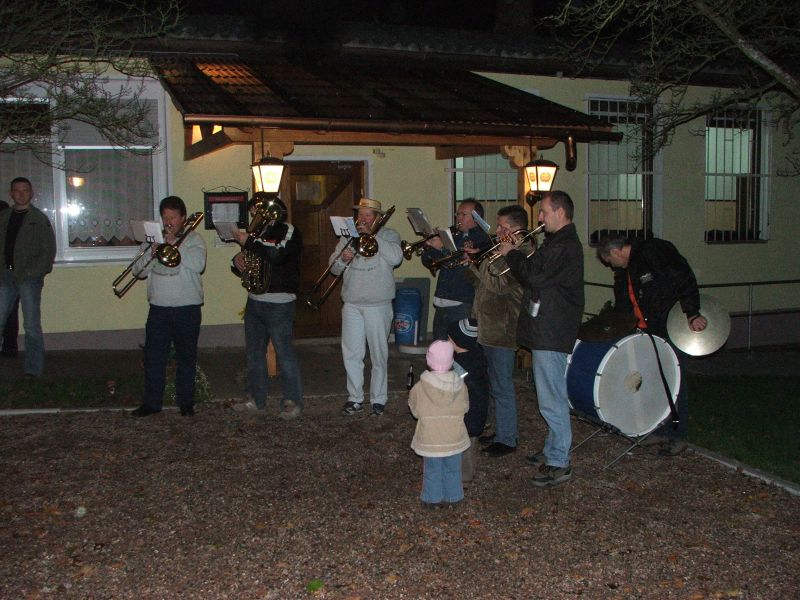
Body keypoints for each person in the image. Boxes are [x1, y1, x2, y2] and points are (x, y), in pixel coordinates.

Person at [497, 190, 584, 487]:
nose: (541, 218)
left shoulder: (565, 246)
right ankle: (552, 449)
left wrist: (512, 253)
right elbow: (537, 272)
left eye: (545, 212)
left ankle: (559, 461)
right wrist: (517, 251)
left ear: (560, 212)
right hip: (546, 328)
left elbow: (534, 277)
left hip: (552, 330)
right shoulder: (556, 242)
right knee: (548, 395)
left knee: (552, 399)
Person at [596, 235, 707, 455]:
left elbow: (683, 277)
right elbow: (623, 303)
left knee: (674, 381)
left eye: (610, 261)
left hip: (669, 327)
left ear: (616, 252)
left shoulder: (653, 251)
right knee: (655, 381)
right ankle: (659, 429)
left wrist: (692, 312)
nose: (611, 266)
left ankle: (678, 435)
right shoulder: (624, 271)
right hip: (646, 331)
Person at [130, 196, 206, 417]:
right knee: (154, 358)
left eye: (173, 217)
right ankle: (152, 403)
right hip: (159, 308)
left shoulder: (194, 240)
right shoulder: (153, 240)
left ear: (183, 218)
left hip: (187, 308)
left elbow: (199, 265)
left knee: (186, 358)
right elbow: (137, 271)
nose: (168, 222)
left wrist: (175, 246)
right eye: (165, 217)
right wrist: (152, 252)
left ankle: (186, 403)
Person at [464, 204, 530, 458]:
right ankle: (498, 429)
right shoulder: (503, 250)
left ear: (515, 228)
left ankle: (508, 438)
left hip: (503, 328)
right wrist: (471, 265)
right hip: (488, 325)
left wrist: (485, 260)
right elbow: (483, 284)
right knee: (492, 382)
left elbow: (500, 285)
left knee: (502, 385)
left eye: (502, 227)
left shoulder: (522, 252)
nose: (498, 231)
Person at [231, 196, 304, 420]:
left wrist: (250, 243)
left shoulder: (288, 230)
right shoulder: (256, 234)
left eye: (258, 211)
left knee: (284, 354)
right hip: (255, 300)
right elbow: (253, 261)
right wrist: (237, 261)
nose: (255, 215)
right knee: (254, 354)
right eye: (253, 212)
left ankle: (292, 401)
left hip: (279, 302)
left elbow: (277, 254)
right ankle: (256, 399)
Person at [330, 198, 402, 416]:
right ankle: (355, 398)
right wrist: (343, 259)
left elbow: (396, 258)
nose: (362, 218)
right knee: (352, 354)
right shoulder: (347, 237)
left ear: (378, 217)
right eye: (360, 214)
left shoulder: (389, 235)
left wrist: (373, 236)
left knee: (379, 355)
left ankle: (379, 399)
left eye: (368, 214)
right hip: (352, 303)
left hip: (378, 304)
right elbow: (333, 269)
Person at [0, 177, 56, 377]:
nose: (21, 194)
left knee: (31, 324)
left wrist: (33, 272)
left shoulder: (39, 219)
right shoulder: (3, 217)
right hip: (5, 275)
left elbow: (48, 251)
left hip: (29, 277)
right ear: (11, 194)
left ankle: (33, 370)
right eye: (17, 190)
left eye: (25, 190)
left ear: (31, 193)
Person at [409, 339, 470, 508]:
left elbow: (415, 411)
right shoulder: (460, 385)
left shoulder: (419, 387)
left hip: (431, 438)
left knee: (432, 470)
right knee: (453, 468)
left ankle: (432, 498)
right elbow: (465, 407)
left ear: (429, 361)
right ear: (451, 361)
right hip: (454, 436)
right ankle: (454, 496)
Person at [421, 199, 491, 340]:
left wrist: (442, 247)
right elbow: (431, 262)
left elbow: (461, 262)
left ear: (476, 218)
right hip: (441, 302)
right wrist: (430, 246)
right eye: (457, 214)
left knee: (461, 347)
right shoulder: (454, 236)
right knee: (439, 348)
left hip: (462, 303)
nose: (458, 218)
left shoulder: (483, 240)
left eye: (463, 214)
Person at [447, 317, 489, 483]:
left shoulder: (461, 366)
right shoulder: (478, 357)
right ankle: (465, 474)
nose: (447, 340)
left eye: (449, 338)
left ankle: (462, 477)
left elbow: (453, 389)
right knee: (470, 445)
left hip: (466, 415)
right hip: (478, 411)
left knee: (462, 447)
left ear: (458, 342)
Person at [0, 198, 20, 357]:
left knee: (9, 310)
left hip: (8, 271)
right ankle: (10, 347)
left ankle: (10, 347)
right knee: (9, 310)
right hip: (9, 270)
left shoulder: (5, 213)